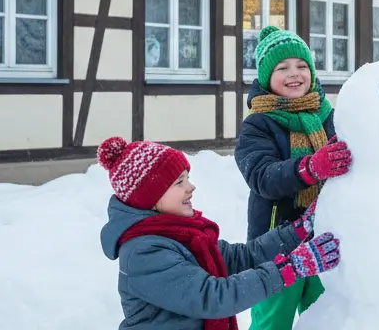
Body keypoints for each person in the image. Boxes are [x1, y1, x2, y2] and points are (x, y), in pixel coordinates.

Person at [98, 136, 341, 330]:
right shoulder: (145, 252)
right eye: (179, 182)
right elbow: (213, 298)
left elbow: (239, 258)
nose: (191, 187)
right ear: (150, 197)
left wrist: (298, 230)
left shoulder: (180, 233)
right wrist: (291, 269)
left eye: (187, 178)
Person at [234, 26, 353, 330]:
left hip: (325, 239)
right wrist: (310, 167)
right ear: (265, 77)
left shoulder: (330, 116)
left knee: (327, 318)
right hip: (275, 247)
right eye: (282, 67)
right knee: (272, 323)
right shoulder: (257, 125)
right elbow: (262, 176)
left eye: (302, 66)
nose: (294, 73)